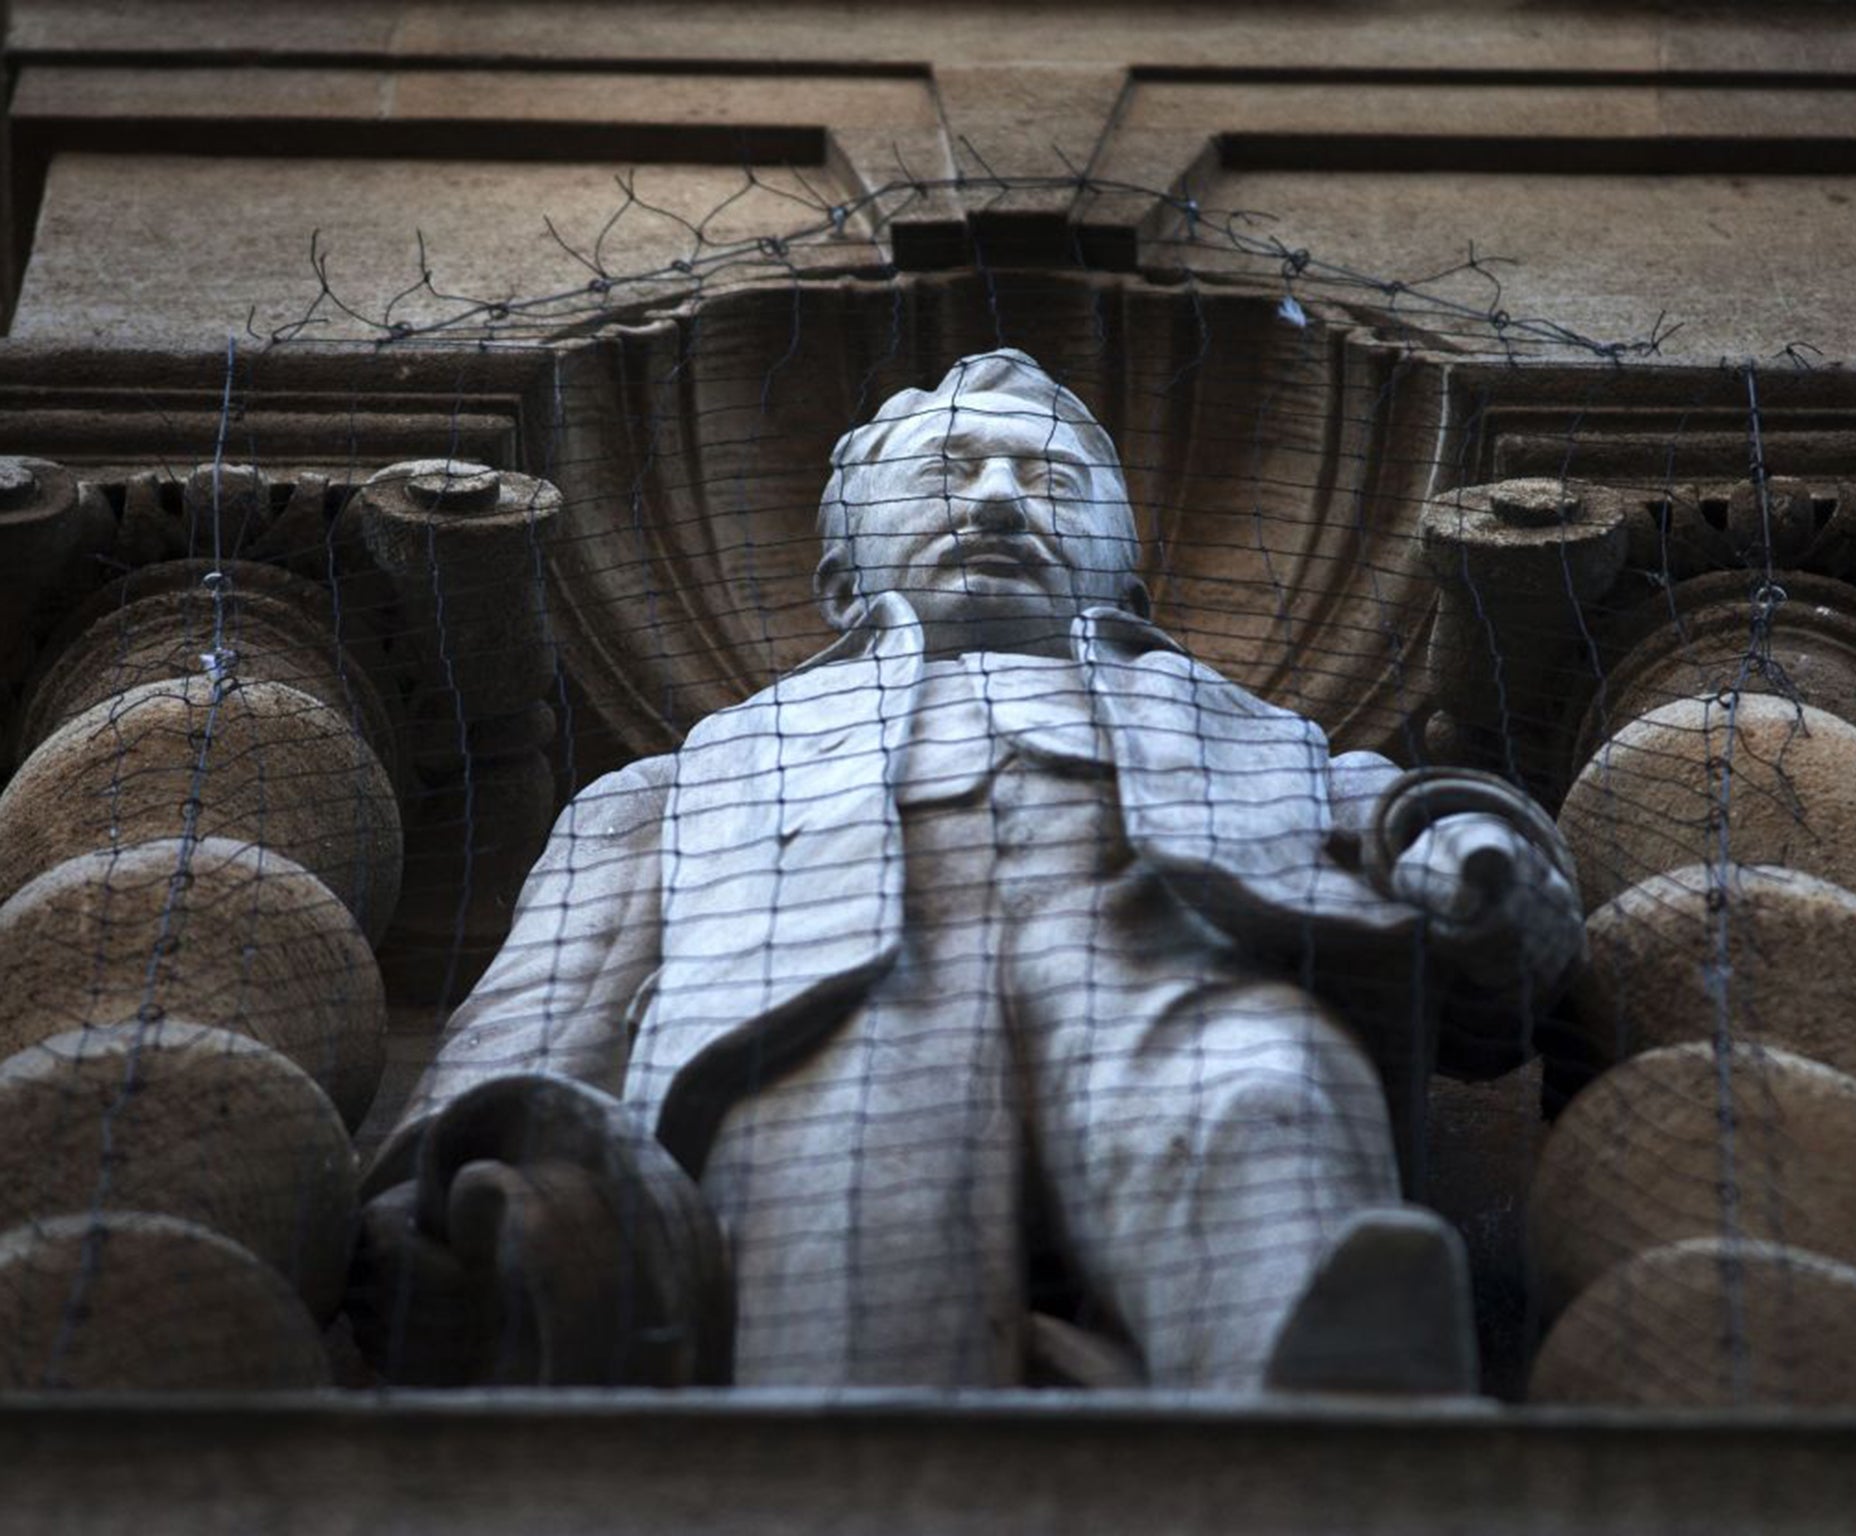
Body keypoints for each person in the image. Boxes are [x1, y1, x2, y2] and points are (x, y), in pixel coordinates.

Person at [355, 349, 1582, 1393]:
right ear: (841, 582)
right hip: (820, 1025)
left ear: (1129, 582)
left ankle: (1317, 1408)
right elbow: (547, 994)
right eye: (948, 473)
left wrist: (1478, 859)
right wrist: (433, 1170)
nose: (998, 502)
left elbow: (1408, 820)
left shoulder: (1252, 732)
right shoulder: (686, 776)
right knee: (844, 1232)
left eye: (1048, 479)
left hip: (1178, 974)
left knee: (1260, 1104)